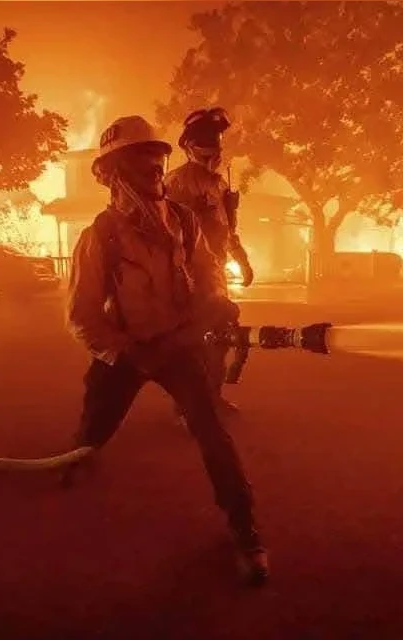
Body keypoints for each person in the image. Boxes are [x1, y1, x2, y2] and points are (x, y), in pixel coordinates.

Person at [61, 114, 270, 586]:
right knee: (90, 437)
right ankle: (72, 466)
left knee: (213, 433)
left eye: (158, 159)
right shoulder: (100, 236)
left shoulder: (182, 221)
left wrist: (216, 304)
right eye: (143, 161)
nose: (156, 170)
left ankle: (245, 530)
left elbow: (205, 273)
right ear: (113, 172)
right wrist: (127, 355)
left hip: (176, 347)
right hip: (125, 352)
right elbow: (82, 316)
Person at [164, 107, 252, 421]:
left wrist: (242, 260)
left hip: (216, 274)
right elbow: (167, 233)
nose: (213, 146)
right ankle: (190, 407)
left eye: (215, 138)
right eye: (204, 139)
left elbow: (228, 228)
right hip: (190, 275)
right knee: (195, 345)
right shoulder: (175, 183)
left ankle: (212, 398)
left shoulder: (218, 184)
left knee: (222, 337)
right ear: (187, 146)